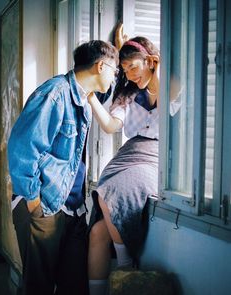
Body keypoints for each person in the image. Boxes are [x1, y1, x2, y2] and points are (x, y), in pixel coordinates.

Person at [7, 40, 119, 295]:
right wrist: (34, 202)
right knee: (39, 287)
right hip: (44, 207)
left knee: (74, 286)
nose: (114, 78)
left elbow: (107, 95)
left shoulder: (84, 97)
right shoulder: (55, 94)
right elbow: (21, 150)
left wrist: (120, 49)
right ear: (100, 66)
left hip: (73, 210)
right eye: (114, 71)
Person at [87, 25, 181, 295]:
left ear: (152, 61)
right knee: (96, 234)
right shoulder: (128, 92)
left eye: (132, 67)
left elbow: (168, 110)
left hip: (155, 158)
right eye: (124, 70)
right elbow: (110, 126)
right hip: (128, 155)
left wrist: (153, 67)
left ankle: (126, 264)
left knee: (109, 193)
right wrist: (91, 97)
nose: (129, 74)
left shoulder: (173, 84)